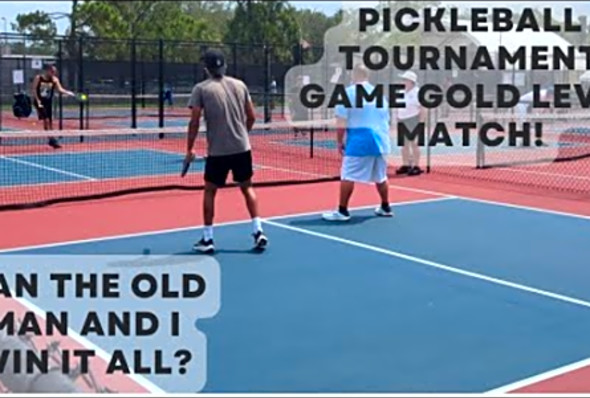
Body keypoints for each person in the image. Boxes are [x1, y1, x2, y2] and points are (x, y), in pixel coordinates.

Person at [186, 49, 268, 254]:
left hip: (218, 152)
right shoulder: (240, 85)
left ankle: (208, 239)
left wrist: (189, 148)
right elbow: (252, 116)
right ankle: (258, 231)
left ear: (206, 68)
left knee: (210, 191)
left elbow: (194, 121)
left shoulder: (200, 89)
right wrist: (242, 135)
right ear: (224, 66)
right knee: (247, 188)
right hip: (242, 148)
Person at [322, 64, 393, 222]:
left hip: (360, 141)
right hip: (381, 141)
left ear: (354, 75)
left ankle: (342, 211)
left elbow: (341, 120)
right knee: (381, 176)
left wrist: (339, 142)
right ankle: (385, 206)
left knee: (347, 175)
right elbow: (386, 119)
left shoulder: (348, 93)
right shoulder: (379, 94)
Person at [31, 64, 75, 149]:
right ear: (47, 71)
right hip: (39, 102)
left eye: (54, 72)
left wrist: (68, 92)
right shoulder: (38, 78)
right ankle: (51, 139)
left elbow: (60, 89)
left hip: (48, 102)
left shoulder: (54, 80)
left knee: (50, 122)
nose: (53, 73)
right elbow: (34, 89)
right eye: (52, 71)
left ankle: (51, 138)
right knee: (46, 120)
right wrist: (37, 100)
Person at [395, 71, 425, 176]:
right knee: (404, 144)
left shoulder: (417, 92)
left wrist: (421, 123)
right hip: (403, 120)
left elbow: (422, 108)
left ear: (411, 82)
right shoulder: (401, 92)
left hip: (413, 120)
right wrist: (398, 118)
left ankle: (416, 166)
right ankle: (406, 165)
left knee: (414, 143)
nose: (403, 81)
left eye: (405, 80)